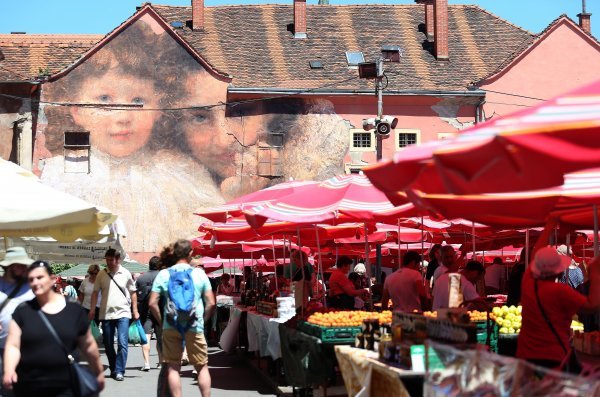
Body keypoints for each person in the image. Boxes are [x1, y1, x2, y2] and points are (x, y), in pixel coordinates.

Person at [2, 260, 105, 397]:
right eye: (31, 279)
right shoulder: (22, 312)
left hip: (66, 386)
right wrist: (9, 370)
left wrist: (98, 372)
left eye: (39, 277)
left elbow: (88, 345)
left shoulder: (74, 310)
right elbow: (13, 345)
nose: (35, 282)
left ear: (52, 279)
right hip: (29, 385)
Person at [149, 239, 215, 397]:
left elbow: (152, 303)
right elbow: (211, 303)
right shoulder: (199, 273)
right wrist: (202, 321)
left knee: (173, 368)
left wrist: (162, 322)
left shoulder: (164, 274)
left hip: (171, 326)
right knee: (201, 367)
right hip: (194, 325)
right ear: (190, 253)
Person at [517, 246, 600, 369]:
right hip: (553, 357)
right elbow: (592, 306)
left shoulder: (528, 283)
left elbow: (534, 253)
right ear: (559, 270)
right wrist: (595, 273)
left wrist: (549, 226)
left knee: (531, 388)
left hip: (525, 356)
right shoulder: (560, 291)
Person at [88, 248, 138, 381]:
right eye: (107, 259)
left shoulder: (126, 273)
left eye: (111, 260)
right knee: (109, 344)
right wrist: (92, 309)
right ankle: (114, 367)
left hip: (123, 313)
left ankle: (120, 370)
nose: (109, 262)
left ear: (118, 260)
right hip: (106, 314)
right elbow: (95, 293)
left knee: (122, 343)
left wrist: (135, 310)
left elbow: (133, 292)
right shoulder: (101, 274)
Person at [0, 247, 36, 397]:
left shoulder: (32, 287)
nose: (24, 269)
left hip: (28, 348)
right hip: (1, 348)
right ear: (10, 266)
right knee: (6, 387)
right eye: (20, 265)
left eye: (25, 265)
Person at [135, 256, 161, 372]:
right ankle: (161, 362)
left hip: (145, 312)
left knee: (146, 337)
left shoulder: (141, 278)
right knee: (161, 338)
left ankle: (146, 363)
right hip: (160, 311)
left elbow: (137, 296)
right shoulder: (163, 276)